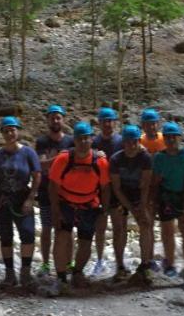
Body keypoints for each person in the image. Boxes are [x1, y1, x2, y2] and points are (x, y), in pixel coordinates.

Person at [49, 122, 111, 288]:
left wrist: (104, 211)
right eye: (80, 139)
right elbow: (53, 186)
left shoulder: (100, 162)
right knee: (62, 237)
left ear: (92, 139)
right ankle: (61, 276)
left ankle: (77, 272)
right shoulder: (63, 159)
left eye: (87, 138)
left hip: (89, 204)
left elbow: (105, 188)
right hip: (66, 203)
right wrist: (55, 210)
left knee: (85, 241)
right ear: (74, 141)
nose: (83, 142)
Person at [0, 116, 41, 286]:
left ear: (18, 131)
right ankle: (10, 274)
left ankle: (25, 272)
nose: (10, 133)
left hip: (22, 198)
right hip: (2, 199)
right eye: (6, 130)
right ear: (2, 133)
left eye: (13, 130)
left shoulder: (28, 153)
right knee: (6, 236)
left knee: (28, 234)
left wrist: (31, 198)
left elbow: (37, 176)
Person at [151, 122, 184, 291]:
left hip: (183, 196)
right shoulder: (160, 158)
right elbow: (155, 183)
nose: (170, 140)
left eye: (174, 137)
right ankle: (170, 264)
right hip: (166, 196)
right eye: (167, 137)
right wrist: (154, 204)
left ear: (179, 138)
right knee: (167, 231)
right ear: (164, 138)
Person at [109, 124, 153, 283]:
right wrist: (130, 207)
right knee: (120, 228)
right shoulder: (116, 159)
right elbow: (117, 188)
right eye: (128, 142)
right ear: (124, 142)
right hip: (121, 196)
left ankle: (145, 265)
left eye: (134, 142)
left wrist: (141, 206)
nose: (131, 146)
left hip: (138, 194)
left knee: (145, 224)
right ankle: (120, 266)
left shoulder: (145, 158)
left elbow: (146, 184)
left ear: (138, 141)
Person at [34, 105, 73, 276]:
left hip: (67, 191)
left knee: (67, 229)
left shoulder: (71, 141)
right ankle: (45, 264)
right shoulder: (42, 142)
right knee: (46, 227)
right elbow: (41, 165)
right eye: (52, 117)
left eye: (58, 117)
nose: (56, 121)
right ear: (48, 120)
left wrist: (53, 162)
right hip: (45, 190)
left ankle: (69, 262)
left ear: (63, 119)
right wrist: (62, 158)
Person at [90, 107, 124, 274]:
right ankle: (99, 260)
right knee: (100, 227)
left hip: (117, 190)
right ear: (100, 123)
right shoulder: (94, 142)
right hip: (99, 190)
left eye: (110, 121)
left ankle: (120, 262)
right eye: (104, 121)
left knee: (119, 227)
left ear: (114, 122)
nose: (107, 124)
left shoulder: (121, 140)